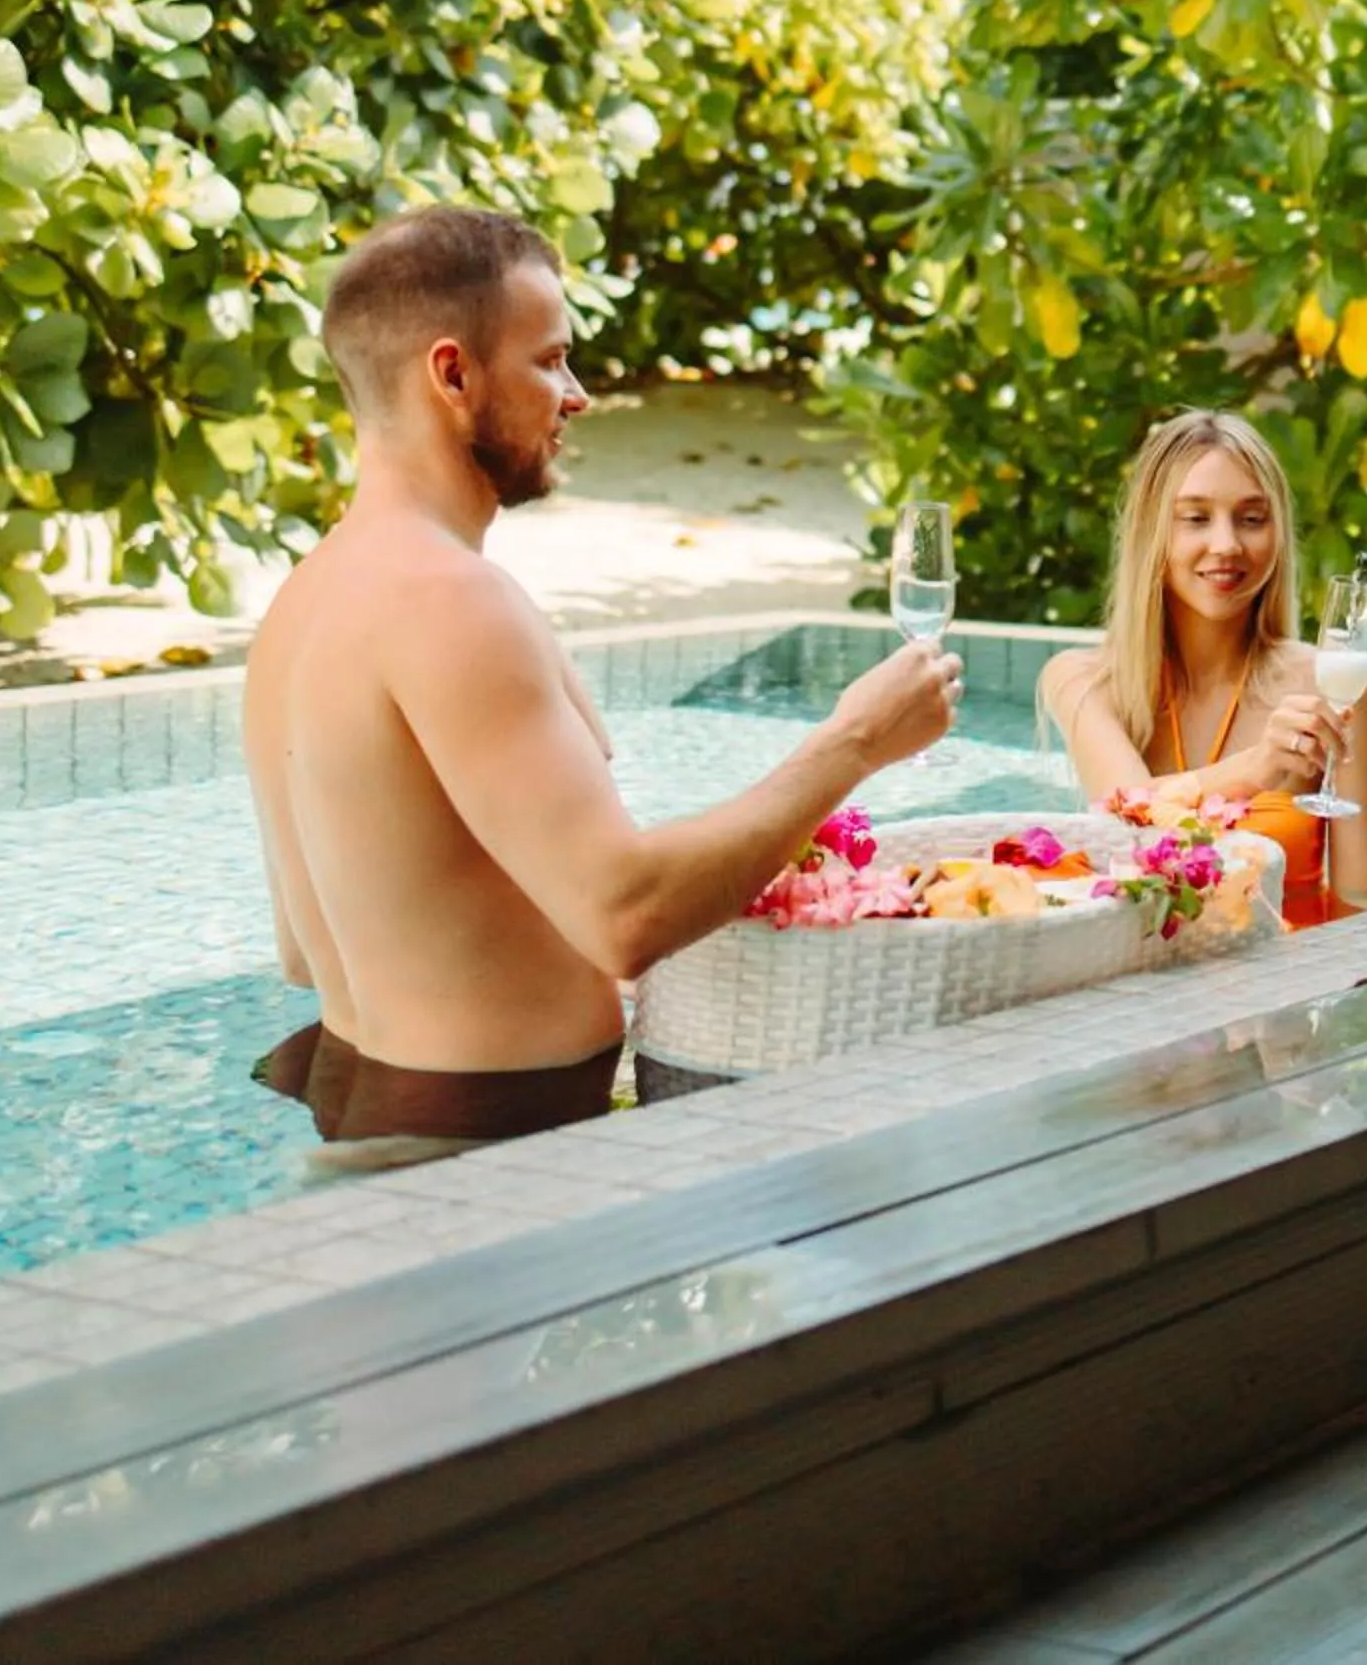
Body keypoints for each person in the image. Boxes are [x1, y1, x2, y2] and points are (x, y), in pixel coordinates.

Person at [244, 205, 958, 1146]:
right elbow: (623, 913)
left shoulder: (300, 606)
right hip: (485, 1158)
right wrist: (855, 741)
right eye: (548, 360)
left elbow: (306, 952)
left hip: (363, 1104)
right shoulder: (451, 602)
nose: (575, 395)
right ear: (452, 373)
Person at [1039, 409, 1367, 926]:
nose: (1227, 545)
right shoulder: (1083, 680)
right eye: (1196, 518)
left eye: (1252, 519)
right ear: (1151, 533)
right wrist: (1257, 768)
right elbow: (1125, 821)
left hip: (1291, 990)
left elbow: (1365, 903)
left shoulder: (1335, 690)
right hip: (1150, 998)